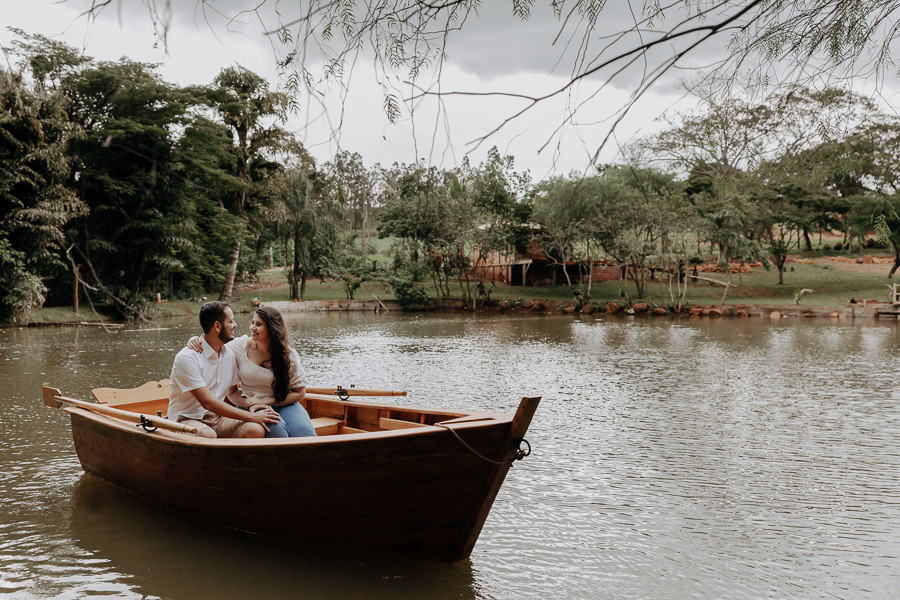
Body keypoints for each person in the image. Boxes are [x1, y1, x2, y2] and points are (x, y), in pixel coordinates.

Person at [187, 305, 316, 438]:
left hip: (284, 403)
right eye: (252, 323)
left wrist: (267, 402)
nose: (252, 328)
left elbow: (300, 393)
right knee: (277, 431)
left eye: (258, 324)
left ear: (272, 328)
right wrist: (196, 339)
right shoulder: (239, 347)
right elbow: (213, 342)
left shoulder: (288, 355)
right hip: (251, 405)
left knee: (305, 432)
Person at [169, 301, 280, 438]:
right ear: (217, 326)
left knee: (255, 429)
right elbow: (208, 402)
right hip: (185, 419)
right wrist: (252, 416)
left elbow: (232, 391)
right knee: (207, 435)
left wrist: (249, 404)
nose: (235, 325)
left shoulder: (229, 355)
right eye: (231, 321)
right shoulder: (186, 358)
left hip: (217, 418)